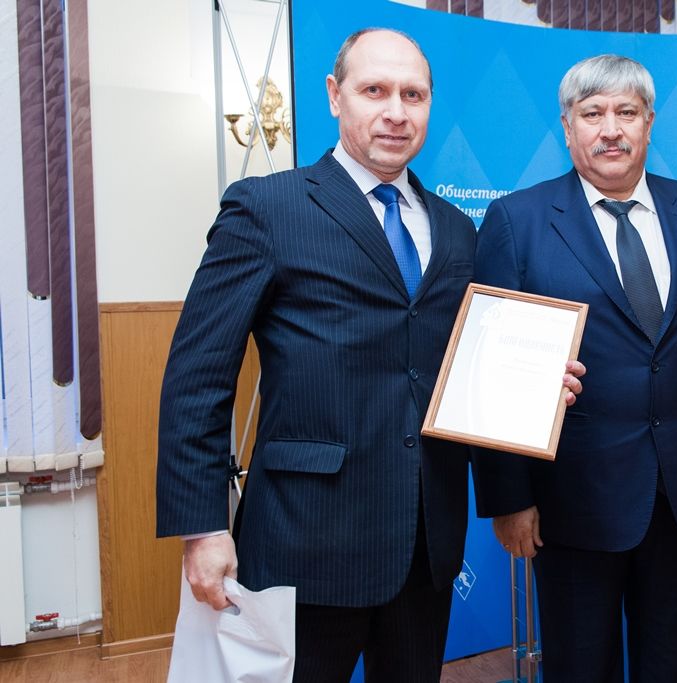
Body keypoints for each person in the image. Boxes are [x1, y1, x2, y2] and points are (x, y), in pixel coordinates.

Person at [155, 27, 583, 682]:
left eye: (413, 95)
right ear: (335, 95)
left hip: (424, 544)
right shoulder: (267, 208)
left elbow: (459, 369)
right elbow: (197, 376)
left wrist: (535, 388)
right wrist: (203, 527)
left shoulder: (455, 228)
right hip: (304, 543)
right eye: (375, 90)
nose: (396, 112)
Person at [471, 54, 677, 682]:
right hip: (571, 497)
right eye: (593, 114)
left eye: (626, 112)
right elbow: (492, 374)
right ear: (567, 127)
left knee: (671, 664)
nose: (611, 129)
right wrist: (509, 498)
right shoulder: (518, 222)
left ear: (649, 123)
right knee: (580, 667)